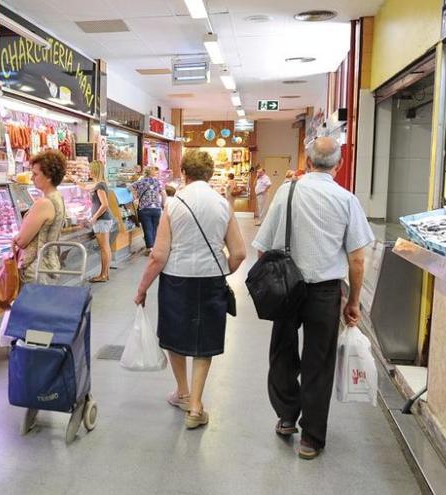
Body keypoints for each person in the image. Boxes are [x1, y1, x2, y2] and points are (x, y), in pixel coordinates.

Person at [252, 136, 374, 460]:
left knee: (282, 352)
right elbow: (358, 259)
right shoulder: (347, 200)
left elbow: (263, 245)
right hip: (324, 291)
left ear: (307, 161)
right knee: (318, 361)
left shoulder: (287, 191)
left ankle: (287, 416)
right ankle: (312, 439)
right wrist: (353, 301)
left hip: (286, 287)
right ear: (340, 164)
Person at [134, 150, 246, 429]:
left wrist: (142, 287)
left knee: (176, 335)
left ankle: (182, 392)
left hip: (176, 279)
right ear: (209, 174)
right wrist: (223, 272)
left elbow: (158, 255)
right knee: (204, 340)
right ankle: (196, 405)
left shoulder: (174, 204)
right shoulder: (223, 204)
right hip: (211, 280)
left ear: (184, 172)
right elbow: (240, 253)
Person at [12, 150, 67, 283]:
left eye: (35, 174)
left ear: (48, 176)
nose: (32, 178)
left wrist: (15, 239)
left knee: (32, 303)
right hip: (49, 264)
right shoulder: (58, 197)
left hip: (36, 269)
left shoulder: (44, 203)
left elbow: (22, 241)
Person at [85, 160, 115, 282]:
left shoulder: (100, 185)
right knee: (106, 248)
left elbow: (105, 205)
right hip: (104, 220)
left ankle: (103, 275)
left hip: (101, 220)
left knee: (104, 248)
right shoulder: (100, 184)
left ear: (95, 170)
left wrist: (94, 218)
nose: (88, 171)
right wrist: (74, 180)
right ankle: (105, 274)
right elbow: (85, 187)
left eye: (90, 169)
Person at [129, 165, 166, 256]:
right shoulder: (157, 182)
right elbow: (163, 194)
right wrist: (162, 204)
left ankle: (150, 248)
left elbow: (129, 188)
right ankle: (156, 247)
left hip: (144, 208)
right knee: (155, 228)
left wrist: (135, 195)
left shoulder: (140, 182)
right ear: (153, 173)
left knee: (147, 228)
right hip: (156, 208)